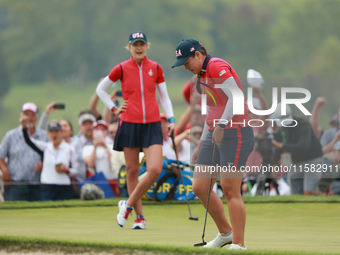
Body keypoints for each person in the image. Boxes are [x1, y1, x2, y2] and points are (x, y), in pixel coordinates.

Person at [172, 39, 254, 250]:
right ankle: (226, 233)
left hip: (236, 132)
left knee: (229, 188)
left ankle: (239, 243)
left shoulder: (216, 66)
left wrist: (222, 125)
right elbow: (213, 111)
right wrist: (201, 144)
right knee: (200, 186)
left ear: (198, 54)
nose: (186, 67)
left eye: (187, 62)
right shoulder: (201, 77)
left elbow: (235, 96)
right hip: (215, 133)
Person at [96, 31, 175, 230]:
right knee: (132, 171)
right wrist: (114, 108)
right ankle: (140, 218)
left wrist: (171, 118)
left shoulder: (155, 67)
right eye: (135, 44)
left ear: (147, 45)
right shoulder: (121, 68)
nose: (138, 47)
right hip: (129, 123)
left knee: (155, 169)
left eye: (142, 44)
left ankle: (127, 205)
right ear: (129, 47)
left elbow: (164, 97)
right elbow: (101, 90)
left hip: (152, 124)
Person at [0, 102, 49, 201]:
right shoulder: (11, 135)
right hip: (15, 183)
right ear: (21, 116)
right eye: (26, 114)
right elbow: (1, 155)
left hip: (37, 184)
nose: (29, 118)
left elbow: (52, 154)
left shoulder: (44, 136)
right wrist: (4, 171)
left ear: (36, 118)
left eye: (32, 115)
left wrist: (44, 162)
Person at [271, 103, 324, 195]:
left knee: (308, 192)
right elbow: (278, 147)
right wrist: (275, 163)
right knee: (295, 193)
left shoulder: (303, 124)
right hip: (295, 161)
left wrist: (282, 146)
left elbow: (303, 147)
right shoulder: (278, 128)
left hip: (312, 160)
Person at [22, 120, 78, 201]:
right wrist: (24, 128)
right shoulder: (45, 148)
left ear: (61, 133)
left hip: (65, 188)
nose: (54, 134)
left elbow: (76, 171)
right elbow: (29, 141)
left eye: (56, 131)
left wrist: (66, 170)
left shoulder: (70, 149)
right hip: (47, 188)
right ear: (48, 134)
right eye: (51, 132)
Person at [71, 110, 96, 197]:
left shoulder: (105, 141)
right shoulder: (74, 145)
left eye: (90, 124)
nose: (88, 127)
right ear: (80, 128)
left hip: (103, 183)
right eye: (85, 124)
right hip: (80, 184)